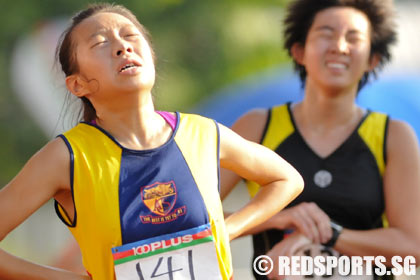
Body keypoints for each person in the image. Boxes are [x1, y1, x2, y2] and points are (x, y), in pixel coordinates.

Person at [0, 3, 304, 280]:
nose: (122, 47)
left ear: (151, 58)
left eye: (130, 35)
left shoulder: (203, 133)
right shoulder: (66, 157)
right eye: (100, 43)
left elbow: (287, 179)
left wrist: (229, 229)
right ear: (77, 84)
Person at [221, 0, 420, 279]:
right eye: (326, 33)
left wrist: (331, 234)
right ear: (299, 50)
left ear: (372, 59)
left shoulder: (394, 135)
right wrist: (275, 218)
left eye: (354, 37)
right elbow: (194, 216)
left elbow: (413, 251)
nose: (339, 46)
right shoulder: (256, 126)